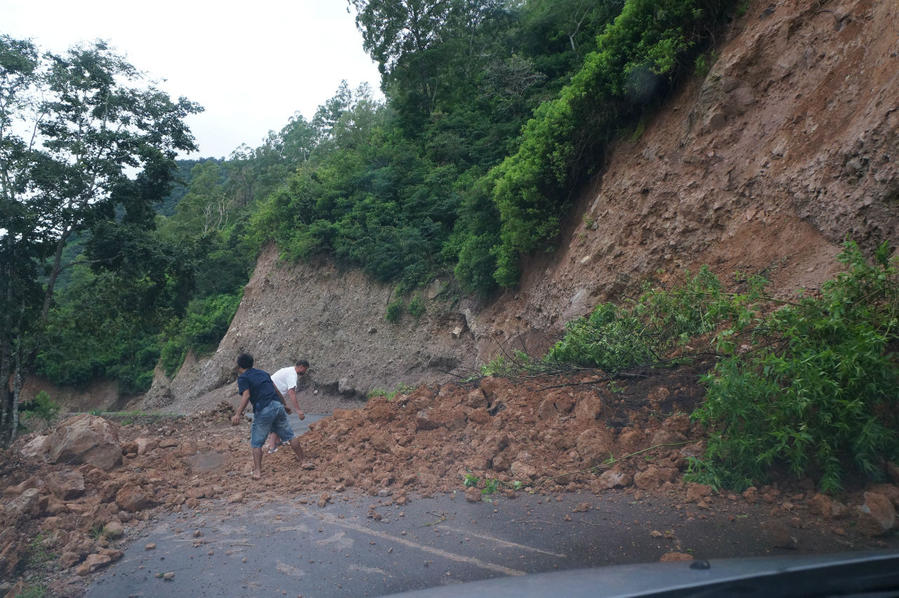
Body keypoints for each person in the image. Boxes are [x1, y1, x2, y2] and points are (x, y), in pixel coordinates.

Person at [231, 353, 304, 479]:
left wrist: (238, 414)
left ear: (239, 366)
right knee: (290, 436)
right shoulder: (263, 373)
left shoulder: (243, 378)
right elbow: (276, 390)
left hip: (263, 409)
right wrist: (284, 405)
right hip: (277, 406)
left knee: (256, 442)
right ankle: (304, 461)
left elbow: (246, 395)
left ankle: (258, 471)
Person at [264, 360, 309, 453]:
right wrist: (298, 410)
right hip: (270, 396)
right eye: (305, 369)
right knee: (278, 420)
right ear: (301, 367)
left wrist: (284, 405)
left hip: (268, 394)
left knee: (277, 418)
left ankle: (278, 441)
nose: (305, 372)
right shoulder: (292, 374)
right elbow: (291, 392)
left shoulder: (288, 370)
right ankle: (272, 447)